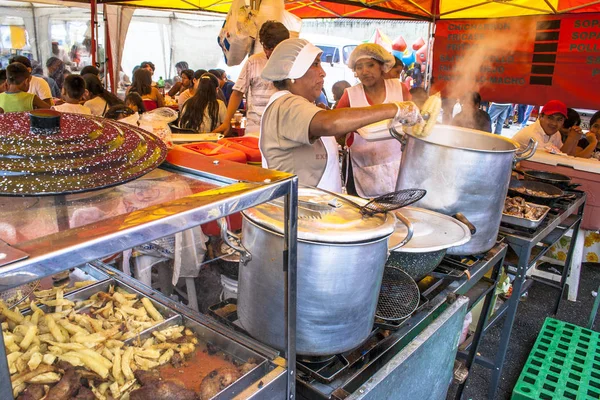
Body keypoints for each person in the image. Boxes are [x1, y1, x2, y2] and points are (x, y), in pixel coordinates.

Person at [259, 38, 421, 192]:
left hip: (313, 211)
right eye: (315, 64)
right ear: (293, 72)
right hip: (298, 214)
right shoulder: (285, 105)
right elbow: (331, 124)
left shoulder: (301, 105)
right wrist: (395, 109)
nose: (323, 73)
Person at [335, 43, 407, 198]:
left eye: (370, 65)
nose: (364, 71)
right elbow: (336, 128)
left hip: (396, 164)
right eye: (359, 67)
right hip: (361, 166)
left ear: (383, 66)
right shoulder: (350, 95)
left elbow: (413, 121)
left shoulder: (400, 89)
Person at [217, 21, 290, 136]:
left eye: (275, 49)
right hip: (255, 129)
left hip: (283, 129)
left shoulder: (292, 63)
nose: (270, 53)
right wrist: (226, 121)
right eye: (267, 48)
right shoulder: (253, 62)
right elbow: (237, 93)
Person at [512, 100, 579, 155]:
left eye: (559, 119)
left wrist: (575, 139)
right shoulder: (532, 136)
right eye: (550, 118)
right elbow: (557, 161)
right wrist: (571, 138)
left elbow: (566, 155)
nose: (554, 123)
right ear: (540, 116)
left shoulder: (556, 133)